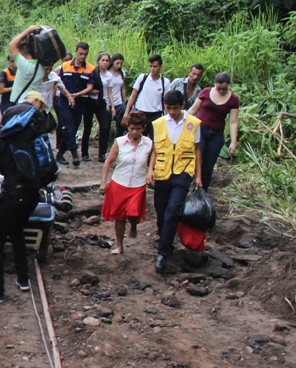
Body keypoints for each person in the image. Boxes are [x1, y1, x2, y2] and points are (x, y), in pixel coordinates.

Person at [0, 93, 55, 302]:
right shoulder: (13, 134)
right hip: (33, 193)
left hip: (14, 195)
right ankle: (23, 279)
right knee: (16, 233)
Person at [148, 89, 202, 274]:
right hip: (162, 172)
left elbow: (197, 150)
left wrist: (199, 176)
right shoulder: (158, 123)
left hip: (183, 172)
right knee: (161, 212)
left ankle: (162, 253)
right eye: (168, 108)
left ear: (183, 106)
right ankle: (166, 241)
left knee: (172, 211)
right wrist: (150, 171)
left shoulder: (193, 124)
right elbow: (155, 149)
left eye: (175, 108)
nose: (171, 112)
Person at [100, 111, 154, 254]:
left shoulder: (148, 143)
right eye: (132, 128)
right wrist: (103, 182)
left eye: (138, 129)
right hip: (119, 182)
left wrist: (150, 172)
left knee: (133, 212)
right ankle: (119, 245)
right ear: (127, 127)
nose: (134, 132)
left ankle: (134, 226)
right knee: (119, 216)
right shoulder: (119, 142)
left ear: (143, 128)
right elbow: (108, 162)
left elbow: (154, 155)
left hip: (138, 184)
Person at [189, 71, 240, 189]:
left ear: (228, 86)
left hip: (216, 135)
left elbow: (233, 122)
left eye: (224, 89)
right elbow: (192, 111)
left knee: (208, 166)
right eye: (219, 88)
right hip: (200, 131)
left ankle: (202, 192)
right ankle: (189, 188)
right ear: (214, 84)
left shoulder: (233, 99)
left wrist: (233, 142)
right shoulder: (206, 92)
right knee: (197, 161)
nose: (221, 91)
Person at [55, 42, 98, 167]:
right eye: (80, 54)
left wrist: (76, 95)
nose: (82, 56)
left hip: (80, 102)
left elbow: (90, 87)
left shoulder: (90, 69)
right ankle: (74, 153)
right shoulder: (65, 66)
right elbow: (57, 82)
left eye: (85, 54)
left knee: (73, 129)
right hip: (64, 101)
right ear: (75, 52)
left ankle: (60, 154)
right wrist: (68, 95)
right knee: (68, 127)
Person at [123, 53, 169, 137]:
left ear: (161, 66)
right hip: (140, 113)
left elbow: (166, 101)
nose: (152, 69)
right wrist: (127, 113)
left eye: (155, 66)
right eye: (150, 66)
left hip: (156, 115)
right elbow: (133, 95)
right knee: (136, 137)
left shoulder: (165, 82)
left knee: (154, 140)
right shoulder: (142, 78)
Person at [79, 49, 112, 163]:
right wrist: (91, 91)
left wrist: (110, 105)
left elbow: (109, 91)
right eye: (103, 60)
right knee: (87, 127)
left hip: (101, 102)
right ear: (98, 61)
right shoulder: (92, 71)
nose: (105, 62)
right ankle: (84, 153)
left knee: (105, 127)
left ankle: (102, 153)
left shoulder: (109, 75)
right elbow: (85, 85)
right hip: (90, 101)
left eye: (107, 61)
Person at [8, 24, 42, 104]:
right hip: (34, 102)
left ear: (21, 53)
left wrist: (28, 30)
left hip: (21, 102)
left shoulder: (25, 65)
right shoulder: (41, 66)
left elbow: (12, 46)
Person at [104, 53, 127, 137]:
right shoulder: (107, 73)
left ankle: (117, 142)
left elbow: (123, 88)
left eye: (121, 63)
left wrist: (124, 101)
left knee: (121, 124)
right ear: (112, 62)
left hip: (119, 102)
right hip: (108, 102)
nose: (119, 65)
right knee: (106, 126)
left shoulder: (121, 73)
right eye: (117, 63)